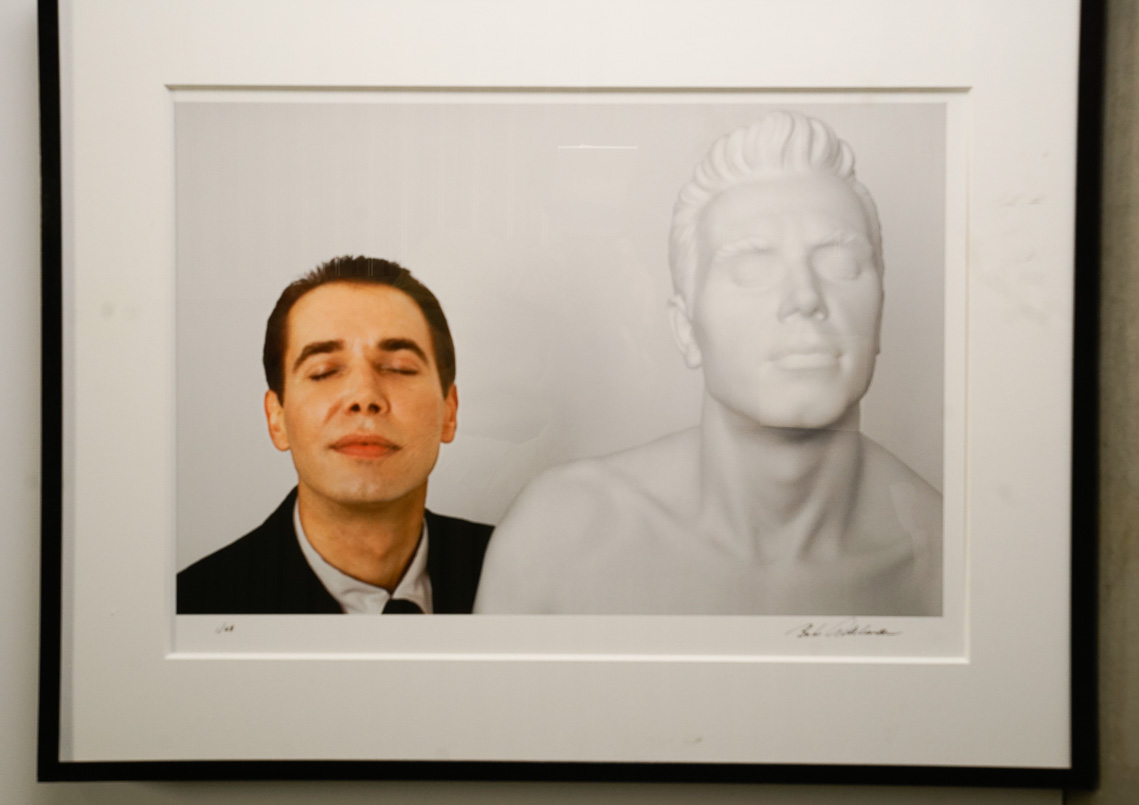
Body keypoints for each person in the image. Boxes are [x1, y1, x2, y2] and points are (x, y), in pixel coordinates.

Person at [475, 111, 942, 617]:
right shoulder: (560, 540)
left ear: (880, 310)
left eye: (841, 263)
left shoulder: (949, 563)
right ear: (685, 329)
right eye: (752, 267)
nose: (805, 296)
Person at [178, 256, 492, 614]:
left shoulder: (523, 575)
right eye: (324, 372)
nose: (364, 397)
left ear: (449, 411)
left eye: (398, 368)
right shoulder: (191, 607)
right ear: (277, 418)